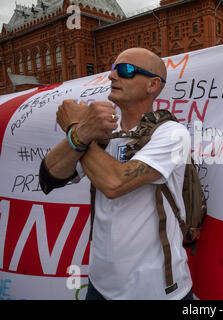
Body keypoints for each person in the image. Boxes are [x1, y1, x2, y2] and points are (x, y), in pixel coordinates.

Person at [39, 48, 193, 300]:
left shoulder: (173, 134)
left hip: (155, 291)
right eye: (112, 68)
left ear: (153, 85)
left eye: (125, 70)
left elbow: (114, 183)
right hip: (99, 286)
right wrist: (81, 135)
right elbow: (49, 176)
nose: (112, 75)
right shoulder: (100, 134)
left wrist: (75, 129)